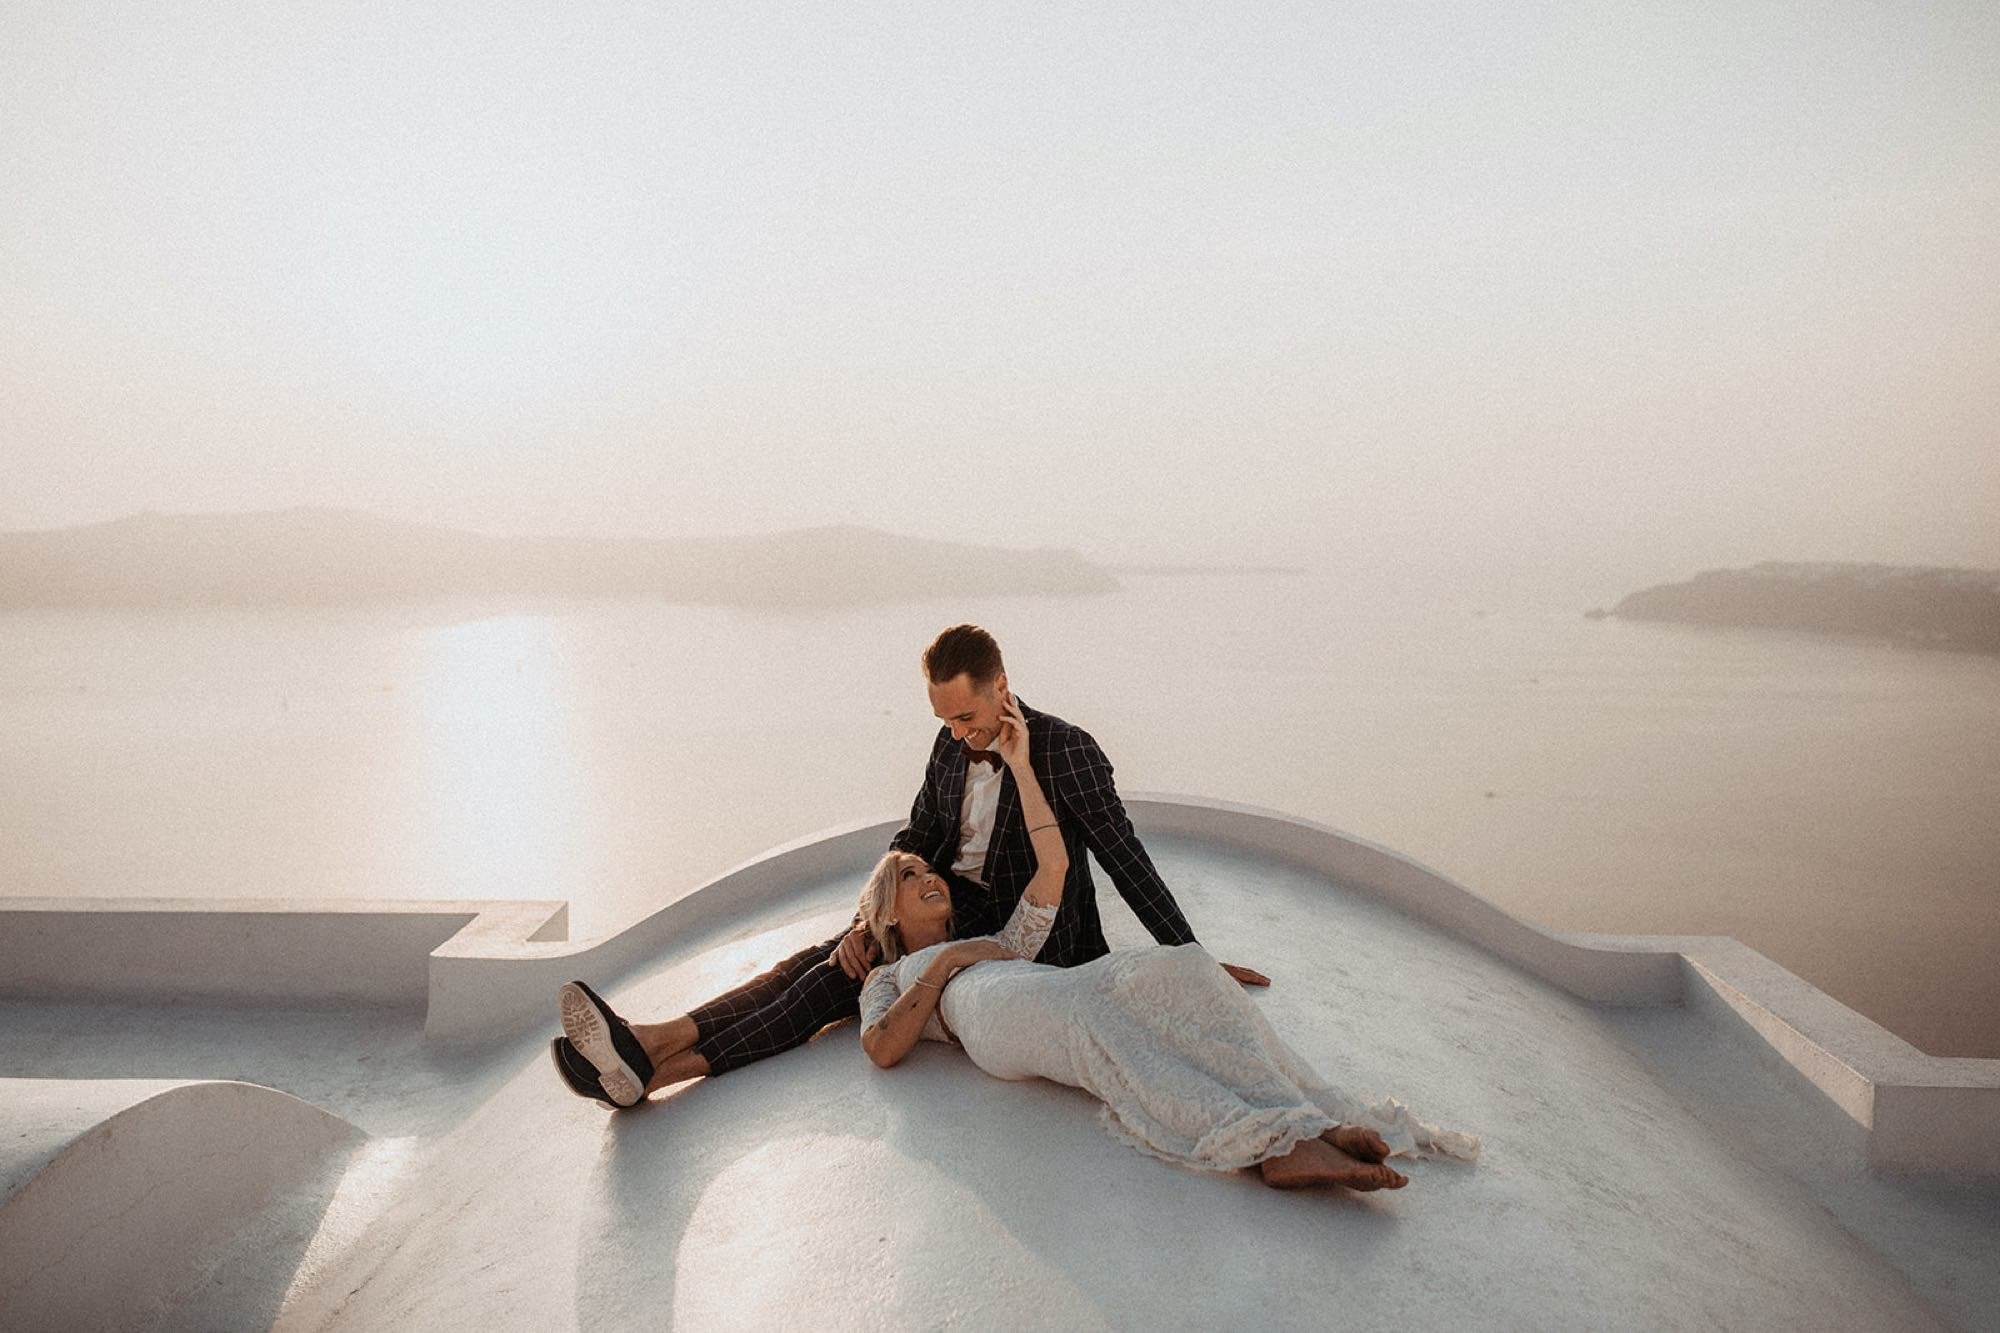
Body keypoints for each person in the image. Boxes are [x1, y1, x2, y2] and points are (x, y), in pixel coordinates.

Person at [552, 624, 1266, 1109]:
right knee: (821, 959)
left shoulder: (1066, 749)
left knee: (830, 986)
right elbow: (916, 834)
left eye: (966, 716)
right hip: (938, 903)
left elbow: (1123, 855)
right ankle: (649, 1052)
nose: (958, 734)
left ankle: (650, 1059)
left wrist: (1190, 958)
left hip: (1019, 936)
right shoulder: (948, 745)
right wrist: (869, 919)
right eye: (945, 720)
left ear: (1001, 685)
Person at [858, 695, 1480, 1190]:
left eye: (929, 868)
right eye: (910, 876)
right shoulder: (889, 976)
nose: (930, 874)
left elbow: (1054, 869)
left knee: (1183, 973)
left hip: (1041, 982)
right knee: (1100, 1022)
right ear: (887, 915)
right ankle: (1270, 1148)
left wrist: (1021, 764)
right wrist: (946, 963)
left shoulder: (992, 939)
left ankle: (1313, 1115)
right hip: (993, 1016)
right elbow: (884, 1047)